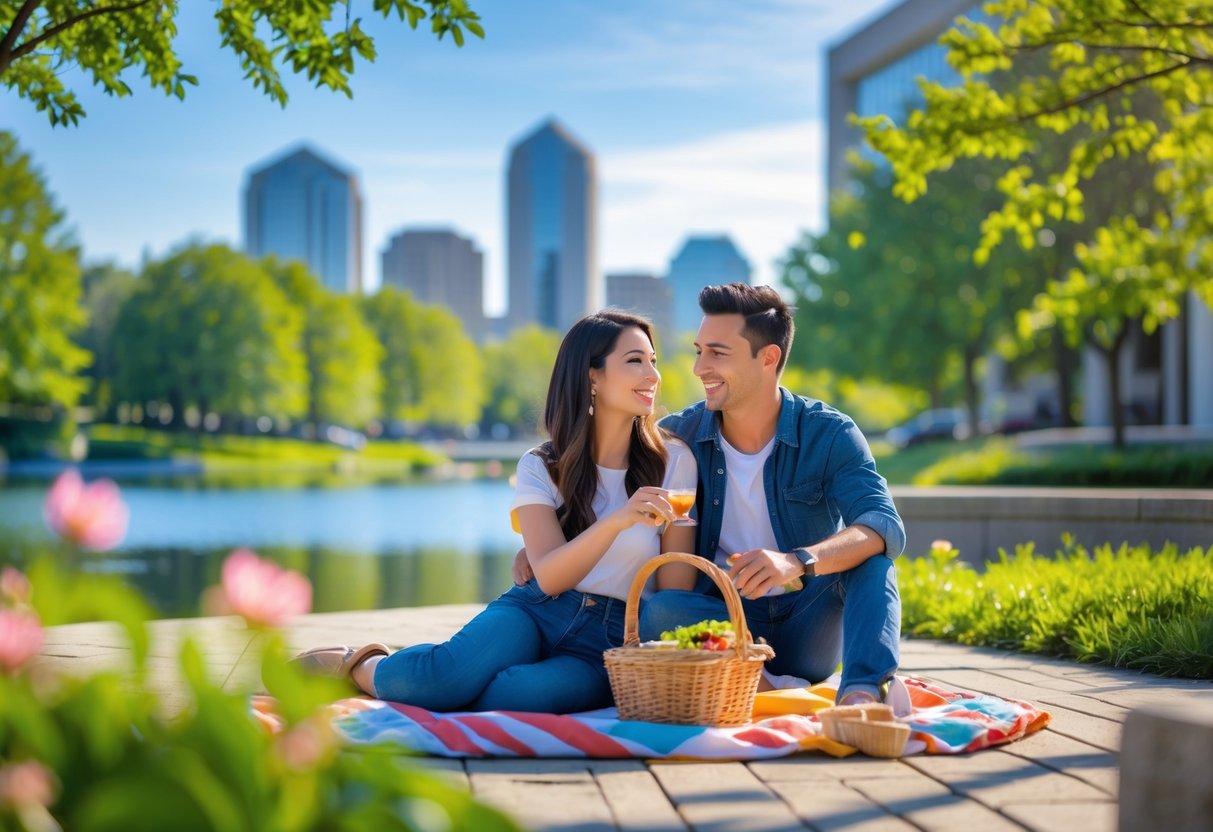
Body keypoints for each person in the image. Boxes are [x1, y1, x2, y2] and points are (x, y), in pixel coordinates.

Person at [517, 284, 905, 706]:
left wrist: (796, 562)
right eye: (698, 351)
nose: (700, 368)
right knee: (661, 610)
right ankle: (770, 690)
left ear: (768, 358)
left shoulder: (829, 434)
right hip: (720, 625)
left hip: (806, 624)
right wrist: (544, 546)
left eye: (718, 353)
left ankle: (863, 695)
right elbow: (607, 488)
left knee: (874, 564)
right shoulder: (678, 438)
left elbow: (883, 525)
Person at [294, 310, 698, 713]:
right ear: (592, 377)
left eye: (653, 361)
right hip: (538, 610)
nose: (653, 375)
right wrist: (620, 520)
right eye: (635, 361)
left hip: (610, 641)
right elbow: (552, 576)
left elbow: (673, 589)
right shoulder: (540, 465)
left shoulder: (674, 461)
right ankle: (359, 664)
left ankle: (454, 681)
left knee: (518, 696)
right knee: (437, 680)